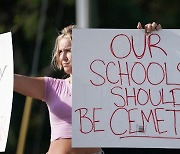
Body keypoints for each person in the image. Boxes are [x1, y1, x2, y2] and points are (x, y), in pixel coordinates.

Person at [14, 22, 162, 154]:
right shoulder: (51, 87)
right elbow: (10, 80)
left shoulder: (107, 87)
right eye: (60, 52)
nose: (63, 57)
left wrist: (151, 39)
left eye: (68, 50)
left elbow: (143, 79)